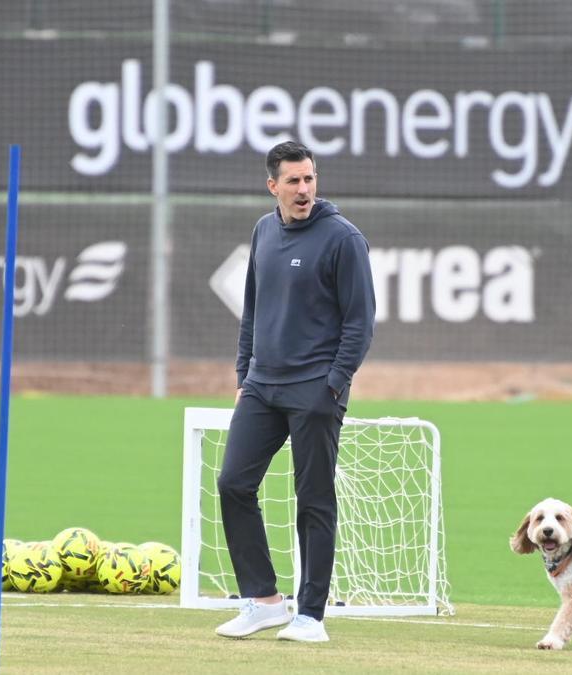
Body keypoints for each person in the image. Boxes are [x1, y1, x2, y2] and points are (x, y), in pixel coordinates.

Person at [214, 141, 376, 643]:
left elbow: (360, 323)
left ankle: (310, 615)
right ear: (273, 186)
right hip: (262, 387)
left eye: (309, 179)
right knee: (233, 484)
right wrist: (245, 375)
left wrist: (332, 384)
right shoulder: (263, 230)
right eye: (293, 181)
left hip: (315, 391)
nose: (304, 189)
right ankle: (263, 601)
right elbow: (252, 311)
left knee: (313, 500)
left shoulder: (343, 239)